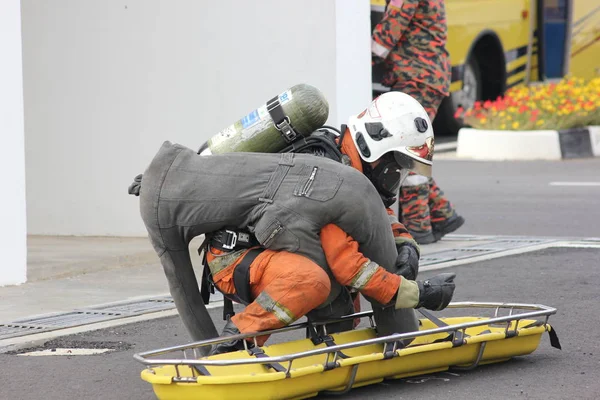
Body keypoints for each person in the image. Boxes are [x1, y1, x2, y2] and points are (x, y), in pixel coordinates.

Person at [129, 92, 456, 356]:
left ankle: (325, 343)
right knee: (314, 280)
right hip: (237, 256)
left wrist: (404, 242)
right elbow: (348, 265)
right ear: (376, 145)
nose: (399, 175)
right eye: (399, 163)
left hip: (266, 246)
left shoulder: (343, 163)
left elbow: (369, 217)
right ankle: (235, 344)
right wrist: (417, 294)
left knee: (338, 296)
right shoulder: (326, 175)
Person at [371, 0, 465, 244]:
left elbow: (393, 24)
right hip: (426, 75)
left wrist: (363, 56)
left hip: (417, 76)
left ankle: (418, 226)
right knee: (409, 149)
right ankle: (443, 214)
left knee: (409, 151)